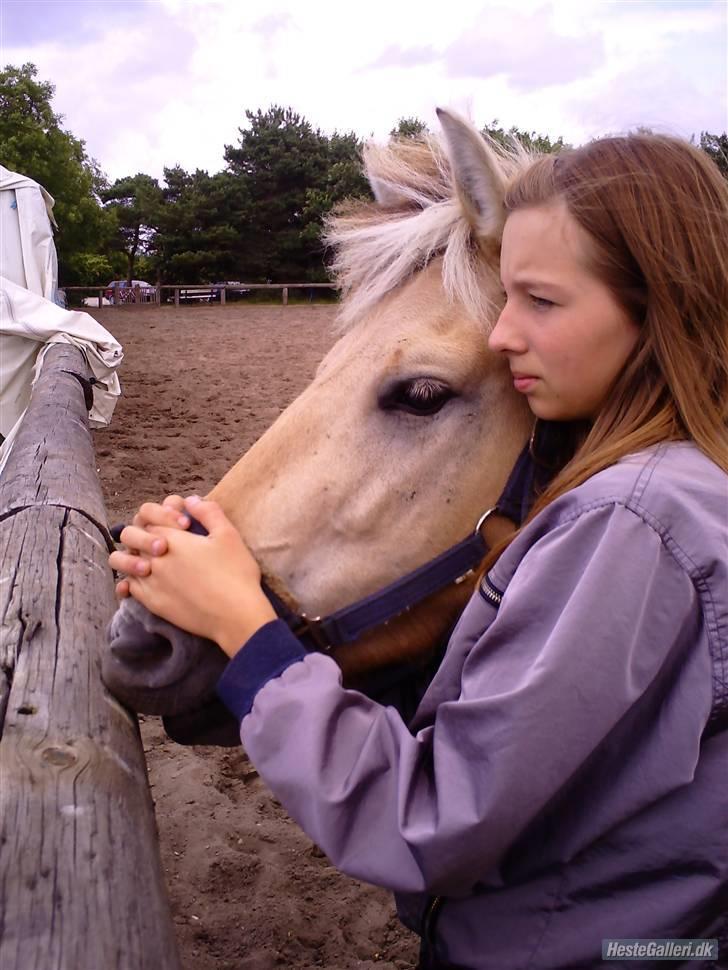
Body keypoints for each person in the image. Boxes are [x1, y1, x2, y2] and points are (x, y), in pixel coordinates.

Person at [109, 132, 728, 969]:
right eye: (507, 297)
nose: (501, 334)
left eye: (540, 301)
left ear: (657, 306)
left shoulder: (633, 520)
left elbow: (437, 818)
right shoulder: (667, 486)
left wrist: (249, 630)